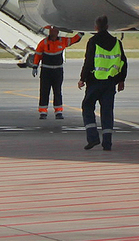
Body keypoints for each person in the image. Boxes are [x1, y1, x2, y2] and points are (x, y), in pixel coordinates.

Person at [78, 15, 127, 151]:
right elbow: (123, 62)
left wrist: (82, 78)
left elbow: (88, 62)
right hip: (110, 83)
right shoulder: (117, 42)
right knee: (107, 112)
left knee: (87, 106)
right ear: (107, 27)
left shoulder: (93, 41)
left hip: (94, 81)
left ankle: (93, 137)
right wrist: (121, 80)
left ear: (96, 27)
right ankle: (107, 143)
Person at [30, 25, 82, 121]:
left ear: (57, 32)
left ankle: (58, 111)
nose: (52, 33)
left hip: (57, 71)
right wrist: (35, 66)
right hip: (46, 71)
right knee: (44, 91)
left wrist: (81, 32)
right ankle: (43, 111)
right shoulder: (44, 43)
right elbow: (37, 55)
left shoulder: (63, 41)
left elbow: (74, 39)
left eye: (54, 31)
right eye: (51, 31)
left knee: (57, 91)